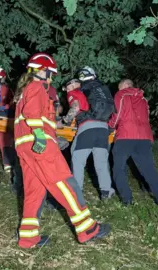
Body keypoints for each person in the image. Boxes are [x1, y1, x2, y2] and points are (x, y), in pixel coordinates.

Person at [14, 52, 110, 248]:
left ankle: (28, 237)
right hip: (39, 145)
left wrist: (54, 132)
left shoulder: (24, 90)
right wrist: (41, 136)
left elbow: (34, 118)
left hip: (25, 147)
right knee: (65, 184)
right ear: (43, 71)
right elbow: (32, 114)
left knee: (34, 192)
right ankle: (87, 229)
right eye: (50, 74)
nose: (51, 78)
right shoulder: (37, 86)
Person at [108, 79, 158, 212]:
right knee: (149, 170)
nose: (119, 90)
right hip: (144, 138)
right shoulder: (144, 99)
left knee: (119, 169)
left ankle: (127, 200)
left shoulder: (121, 95)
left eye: (120, 87)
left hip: (125, 136)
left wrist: (110, 126)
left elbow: (117, 115)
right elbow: (146, 119)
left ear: (124, 86)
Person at [61, 68, 116, 200]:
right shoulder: (101, 89)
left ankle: (77, 192)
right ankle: (106, 192)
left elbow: (75, 107)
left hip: (87, 127)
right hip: (103, 127)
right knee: (101, 162)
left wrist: (65, 120)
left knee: (77, 159)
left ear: (75, 84)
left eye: (68, 87)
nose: (67, 91)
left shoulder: (75, 92)